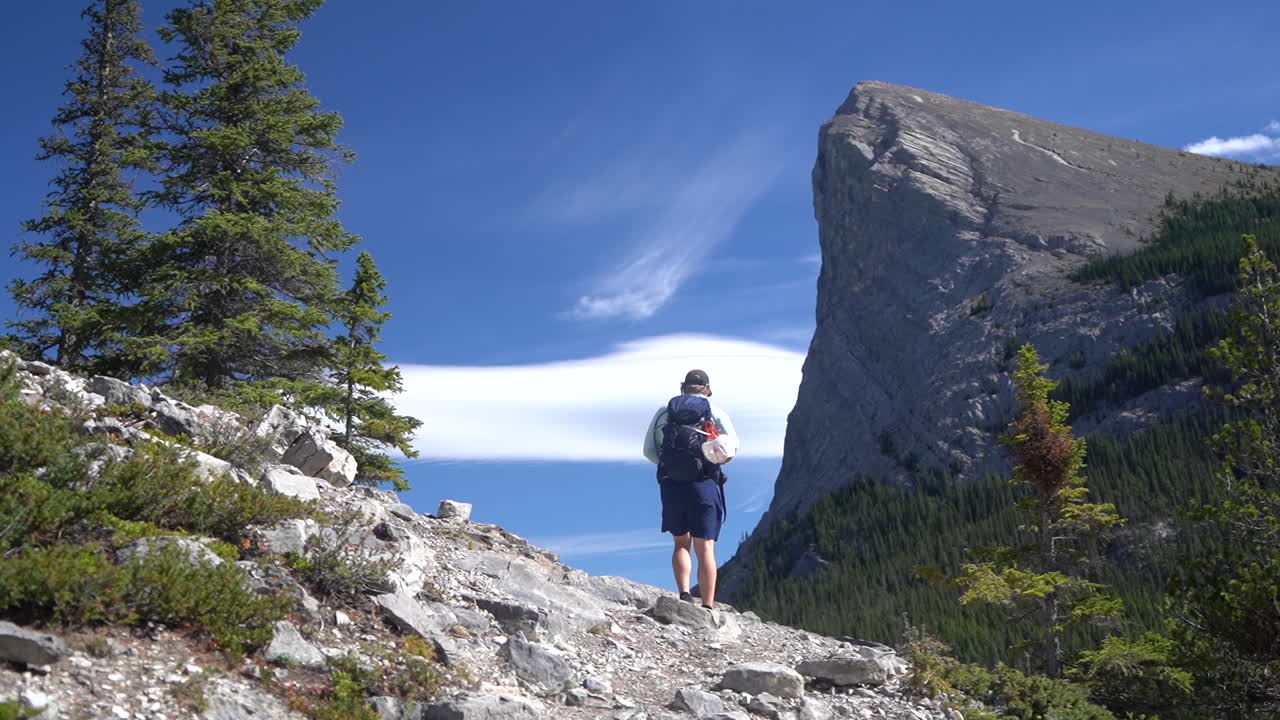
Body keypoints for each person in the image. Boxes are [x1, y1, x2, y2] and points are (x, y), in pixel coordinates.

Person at [642, 369, 739, 610]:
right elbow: (731, 449)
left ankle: (684, 594)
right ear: (707, 388)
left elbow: (649, 452)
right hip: (704, 484)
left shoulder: (664, 413)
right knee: (705, 546)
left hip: (672, 484)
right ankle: (707, 605)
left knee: (680, 542)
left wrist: (673, 467)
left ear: (682, 387)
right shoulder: (716, 412)